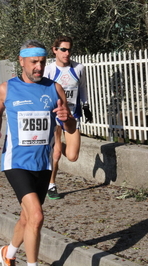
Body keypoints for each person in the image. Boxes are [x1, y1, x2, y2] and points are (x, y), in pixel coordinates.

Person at [0, 40, 76, 266]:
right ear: (21, 61)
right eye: (33, 62)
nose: (38, 67)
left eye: (42, 62)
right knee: (37, 216)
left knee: (27, 217)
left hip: (43, 163)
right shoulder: (6, 88)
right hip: (15, 161)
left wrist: (68, 120)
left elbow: (69, 125)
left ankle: (8, 254)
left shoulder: (54, 88)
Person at [43, 36, 93, 199]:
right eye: (63, 49)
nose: (66, 53)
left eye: (69, 49)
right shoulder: (49, 70)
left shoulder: (79, 68)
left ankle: (58, 145)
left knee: (72, 156)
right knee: (56, 153)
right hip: (55, 115)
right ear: (55, 50)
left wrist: (86, 106)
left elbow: (83, 88)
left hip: (73, 115)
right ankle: (51, 185)